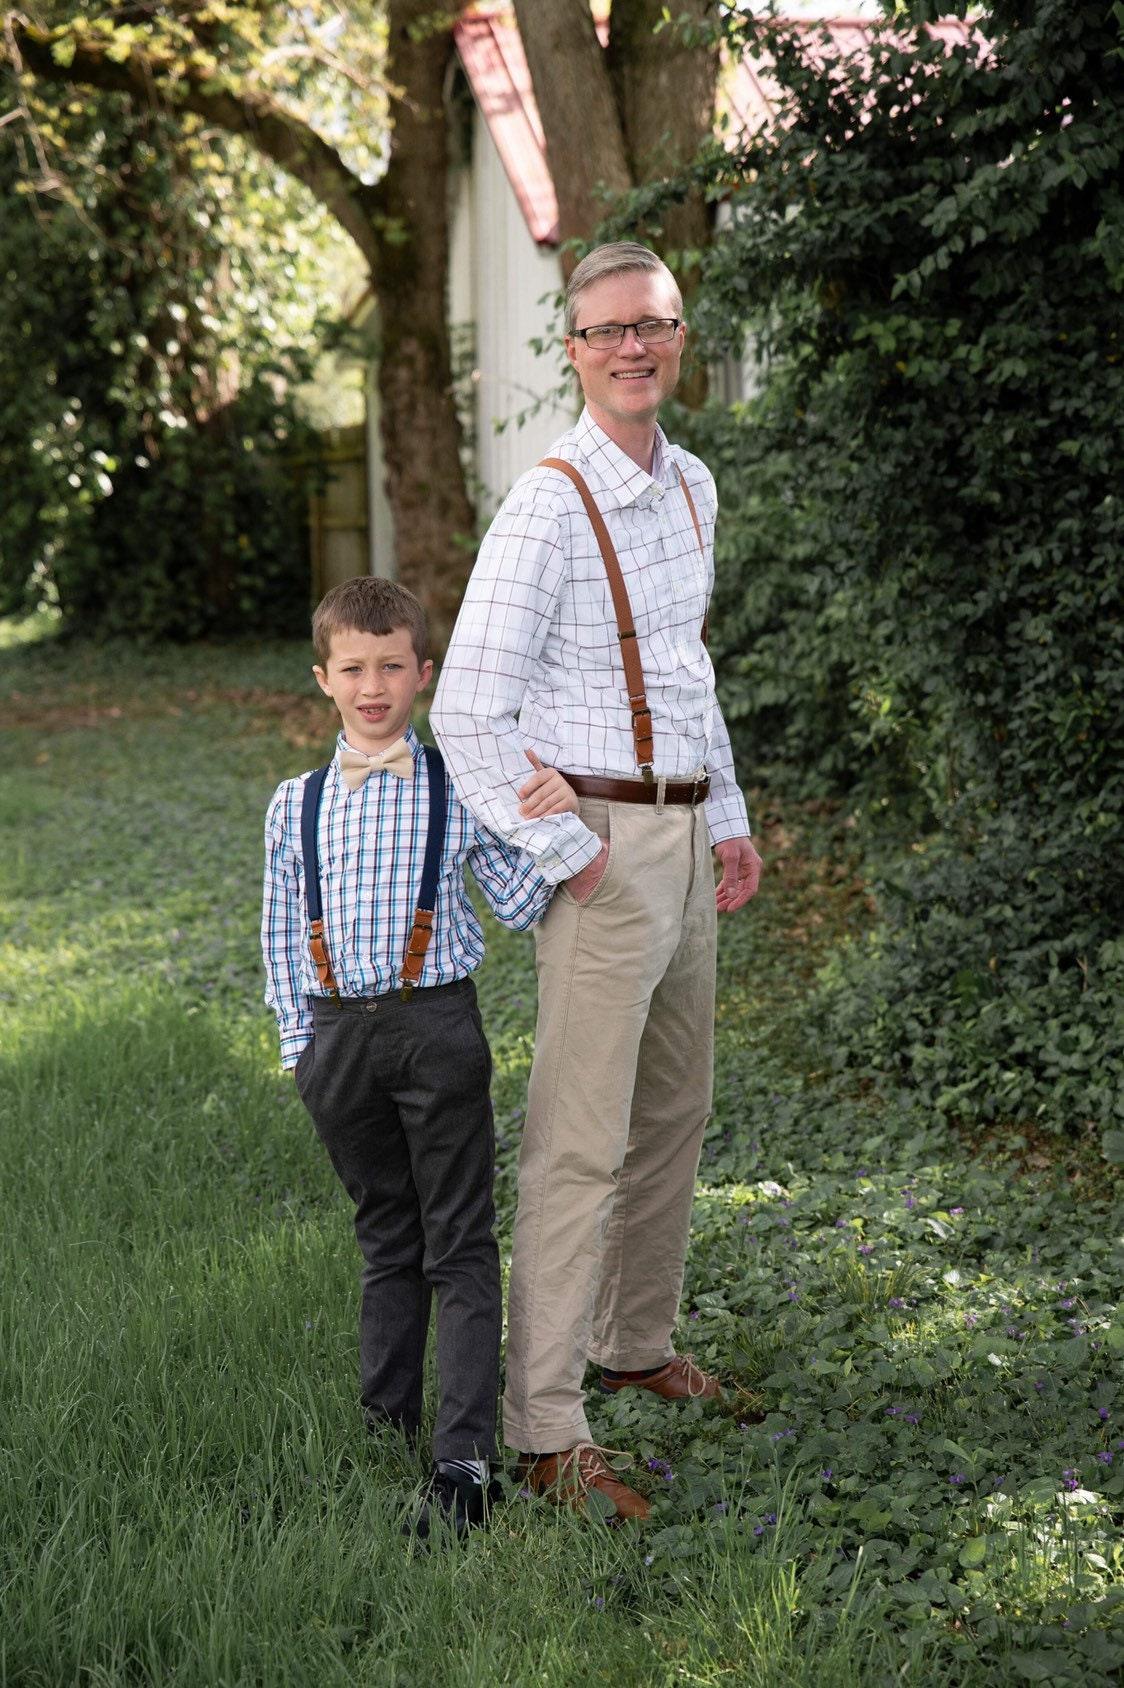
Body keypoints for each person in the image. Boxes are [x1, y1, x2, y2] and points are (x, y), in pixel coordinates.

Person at [431, 242, 763, 1521]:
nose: (634, 346)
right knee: (577, 1141)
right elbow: (467, 709)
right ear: (572, 350)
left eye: (655, 325)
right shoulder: (546, 503)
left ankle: (636, 1342)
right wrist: (569, 852)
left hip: (682, 843)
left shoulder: (691, 487)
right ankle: (543, 1425)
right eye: (607, 329)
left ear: (679, 337)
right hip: (603, 855)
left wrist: (723, 817)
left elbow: (686, 668)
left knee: (674, 1111)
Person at [261, 576, 574, 1539]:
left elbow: (524, 900)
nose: (373, 685)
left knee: (460, 1243)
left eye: (391, 666)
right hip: (336, 1037)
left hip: (438, 1027)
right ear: (323, 678)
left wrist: (551, 810)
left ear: (423, 675)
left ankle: (464, 1461)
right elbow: (279, 930)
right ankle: (384, 1424)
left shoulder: (454, 786)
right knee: (385, 1237)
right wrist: (300, 1046)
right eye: (352, 667)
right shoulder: (294, 804)